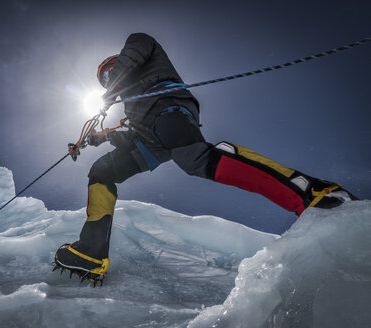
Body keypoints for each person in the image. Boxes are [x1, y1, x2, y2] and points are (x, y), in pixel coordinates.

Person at [53, 33, 357, 284]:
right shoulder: (130, 102)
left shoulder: (139, 45)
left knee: (195, 158)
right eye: (104, 79)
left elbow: (133, 56)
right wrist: (103, 137)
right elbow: (132, 135)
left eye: (108, 73)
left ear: (115, 63)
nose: (108, 80)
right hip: (151, 134)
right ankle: (91, 251)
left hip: (169, 108)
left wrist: (111, 90)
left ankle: (311, 190)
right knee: (103, 169)